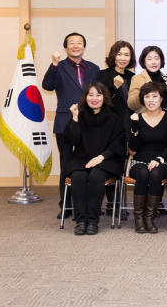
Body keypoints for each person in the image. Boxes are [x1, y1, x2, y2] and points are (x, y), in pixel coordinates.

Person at [42, 32, 100, 218]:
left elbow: (98, 95)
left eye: (79, 43)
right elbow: (47, 86)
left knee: (89, 163)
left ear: (84, 46)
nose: (76, 46)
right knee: (66, 164)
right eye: (72, 43)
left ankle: (89, 205)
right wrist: (54, 64)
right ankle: (66, 206)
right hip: (65, 122)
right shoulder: (59, 67)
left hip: (90, 123)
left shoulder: (93, 68)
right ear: (66, 47)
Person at [62, 82, 125, 235]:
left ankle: (92, 221)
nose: (94, 98)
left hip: (106, 160)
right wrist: (75, 118)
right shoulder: (80, 116)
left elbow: (118, 144)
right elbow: (72, 140)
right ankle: (81, 220)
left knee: (96, 176)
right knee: (78, 176)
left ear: (105, 97)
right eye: (90, 95)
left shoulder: (113, 118)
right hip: (82, 158)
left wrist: (101, 157)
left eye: (98, 95)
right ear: (86, 97)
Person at [128, 82, 167, 234]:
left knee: (155, 173)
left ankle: (150, 218)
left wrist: (160, 159)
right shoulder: (137, 118)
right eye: (147, 97)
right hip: (139, 161)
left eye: (154, 96)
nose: (150, 100)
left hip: (163, 161)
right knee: (143, 172)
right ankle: (138, 218)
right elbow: (133, 148)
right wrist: (134, 127)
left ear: (161, 99)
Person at [96, 40, 135, 215]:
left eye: (126, 54)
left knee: (122, 166)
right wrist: (114, 88)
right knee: (110, 164)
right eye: (119, 54)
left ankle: (117, 205)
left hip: (128, 125)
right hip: (110, 127)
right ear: (113, 56)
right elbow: (99, 101)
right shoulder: (103, 74)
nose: (123, 58)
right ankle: (113, 205)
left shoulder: (132, 77)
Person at [128, 46, 167, 114]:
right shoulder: (137, 78)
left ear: (161, 60)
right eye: (149, 59)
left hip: (164, 118)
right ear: (144, 62)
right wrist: (144, 91)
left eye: (156, 58)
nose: (153, 62)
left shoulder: (166, 78)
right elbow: (131, 105)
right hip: (144, 118)